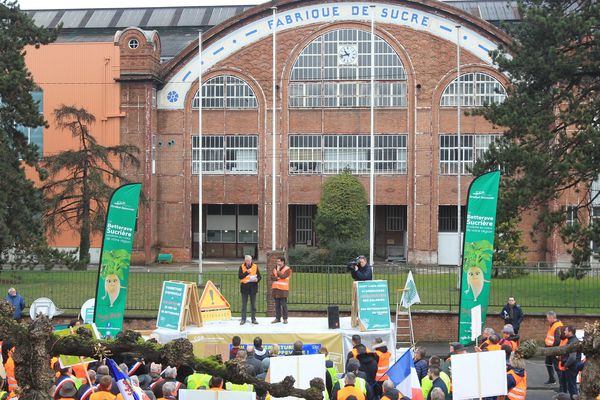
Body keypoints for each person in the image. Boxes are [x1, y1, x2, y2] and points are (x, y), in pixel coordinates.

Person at [558, 325, 581, 398]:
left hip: (571, 368)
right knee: (566, 385)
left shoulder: (573, 342)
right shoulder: (571, 340)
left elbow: (572, 357)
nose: (564, 331)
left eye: (566, 330)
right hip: (570, 367)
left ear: (570, 332)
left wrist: (565, 366)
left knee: (572, 387)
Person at [238, 255, 261, 325]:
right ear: (245, 261)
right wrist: (247, 272)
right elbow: (240, 276)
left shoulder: (255, 266)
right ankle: (243, 319)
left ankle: (253, 319)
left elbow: (259, 276)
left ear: (251, 260)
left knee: (253, 305)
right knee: (244, 305)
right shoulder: (241, 266)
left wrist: (257, 279)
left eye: (249, 260)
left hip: (253, 288)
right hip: (244, 288)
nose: (248, 262)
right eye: (247, 260)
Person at [544, 311, 564, 385]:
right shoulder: (552, 324)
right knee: (548, 363)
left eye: (548, 318)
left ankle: (562, 384)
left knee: (557, 367)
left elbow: (558, 340)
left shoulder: (557, 326)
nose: (547, 320)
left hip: (554, 349)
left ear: (552, 317)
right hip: (549, 348)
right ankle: (552, 379)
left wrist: (553, 349)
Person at [271, 257, 291, 324]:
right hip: (276, 289)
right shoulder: (275, 268)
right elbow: (271, 277)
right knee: (277, 305)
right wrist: (277, 278)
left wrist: (278, 271)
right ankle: (277, 318)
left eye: (279, 261)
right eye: (277, 261)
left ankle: (285, 319)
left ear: (283, 262)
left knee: (284, 305)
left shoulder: (287, 269)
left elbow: (283, 276)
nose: (277, 263)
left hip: (283, 290)